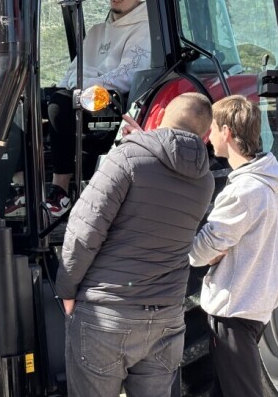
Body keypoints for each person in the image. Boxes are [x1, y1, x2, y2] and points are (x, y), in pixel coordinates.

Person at [55, 93, 215, 397]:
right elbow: (162, 184)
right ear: (206, 134)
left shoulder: (127, 159)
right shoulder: (205, 181)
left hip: (108, 317)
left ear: (163, 114)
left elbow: (83, 232)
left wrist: (66, 290)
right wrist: (142, 143)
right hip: (166, 321)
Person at [188, 94, 278, 397]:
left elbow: (200, 251)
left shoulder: (243, 191)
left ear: (227, 132)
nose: (209, 136)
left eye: (212, 128)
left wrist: (202, 248)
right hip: (252, 307)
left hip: (234, 309)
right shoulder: (265, 184)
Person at [44, 0, 152, 217]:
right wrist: (74, 85)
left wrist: (87, 83)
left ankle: (59, 189)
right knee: (37, 100)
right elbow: (73, 70)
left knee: (60, 105)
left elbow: (127, 75)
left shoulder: (144, 29)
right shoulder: (96, 31)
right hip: (86, 94)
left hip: (114, 101)